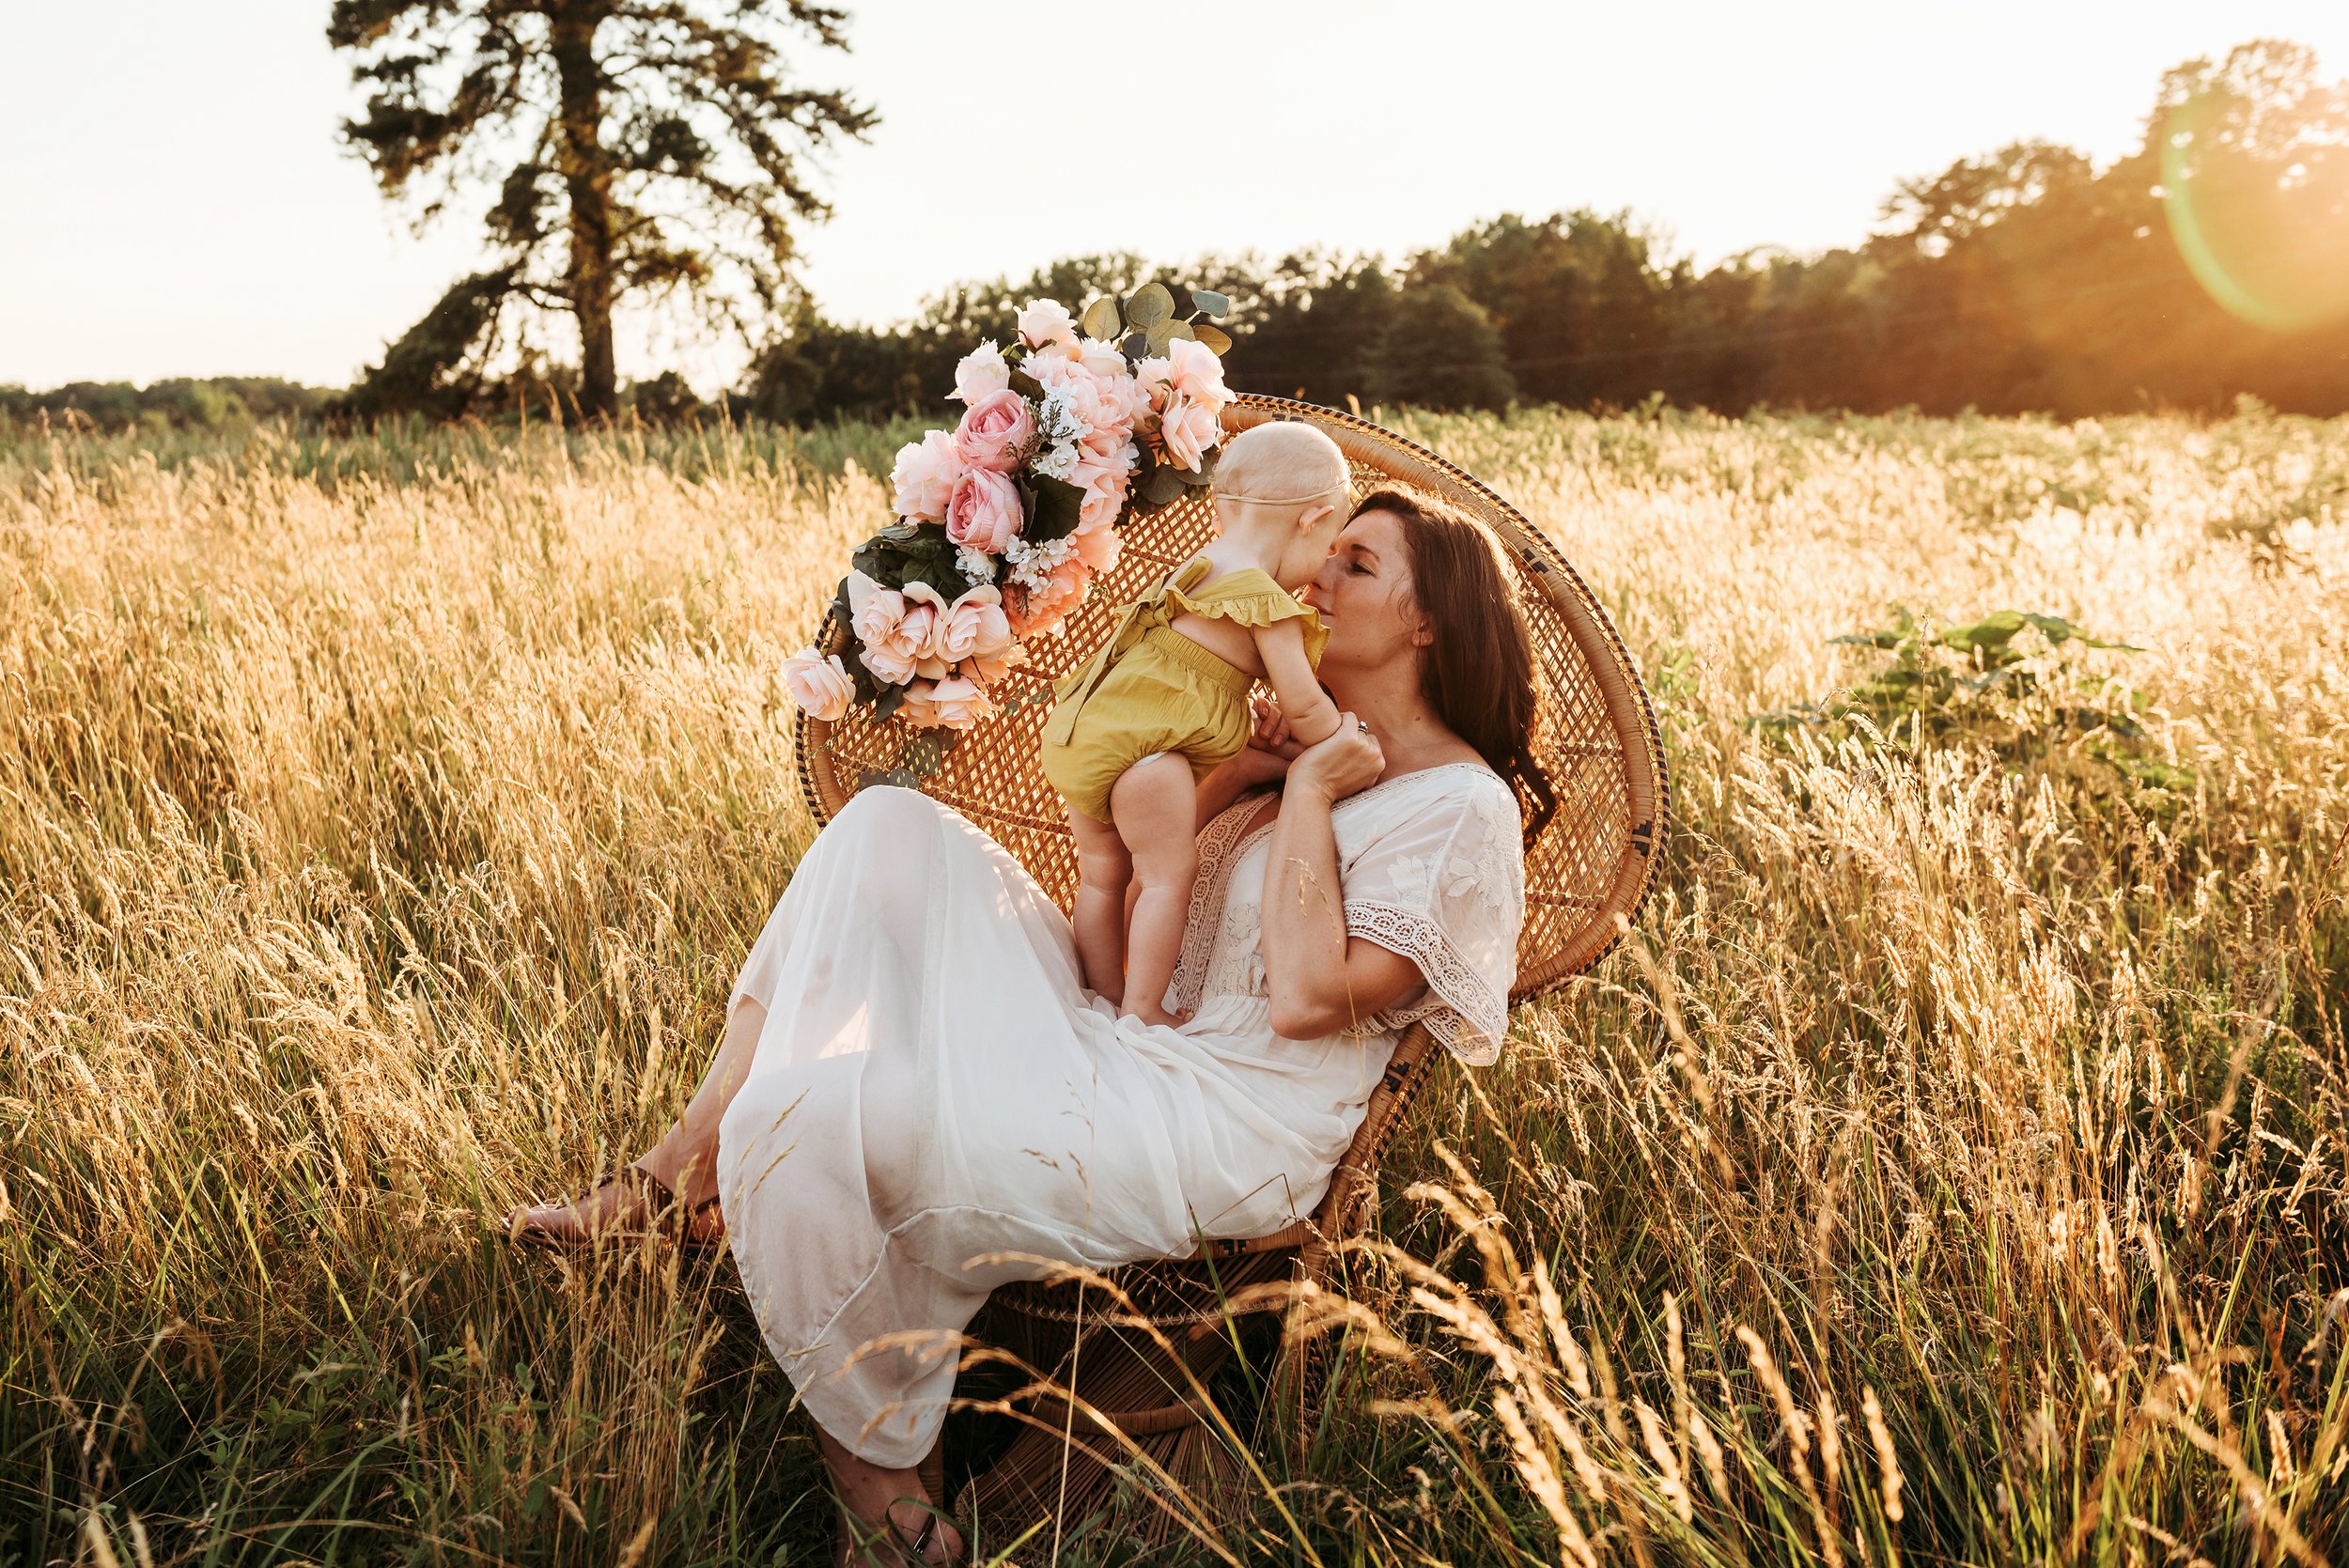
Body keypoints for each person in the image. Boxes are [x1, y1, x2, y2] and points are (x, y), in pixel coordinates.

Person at [510, 486, 1554, 1565]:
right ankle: (681, 1160)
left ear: (1429, 621)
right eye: (1321, 555)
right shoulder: (1306, 745)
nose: (1315, 582)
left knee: (799, 1110)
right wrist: (1249, 770)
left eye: (1357, 566)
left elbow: (1302, 1000)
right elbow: (1143, 875)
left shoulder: (1457, 806)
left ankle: (873, 1473)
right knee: (887, 825)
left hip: (1228, 1114)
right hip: (1133, 1032)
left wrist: (1304, 799)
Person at [1039, 422, 1350, 1025]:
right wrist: (1342, 738)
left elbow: (1183, 666)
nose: (1317, 572)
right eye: (1329, 545)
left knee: (1102, 879)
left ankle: (1096, 1001)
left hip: (1082, 730)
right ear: (1311, 520)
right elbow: (1307, 707)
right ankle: (1142, 1006)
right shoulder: (1264, 601)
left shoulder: (1196, 568)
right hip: (1150, 759)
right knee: (1165, 882)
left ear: (1225, 509)